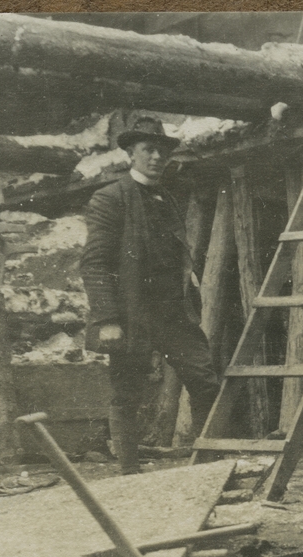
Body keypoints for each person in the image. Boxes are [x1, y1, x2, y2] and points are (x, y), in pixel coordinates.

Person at [81, 116, 221, 475]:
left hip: (172, 312)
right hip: (132, 313)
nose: (157, 157)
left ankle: (207, 467)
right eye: (148, 149)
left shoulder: (166, 198)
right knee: (127, 392)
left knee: (204, 380)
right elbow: (95, 264)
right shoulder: (110, 198)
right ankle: (130, 472)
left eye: (162, 151)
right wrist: (108, 320)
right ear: (131, 153)